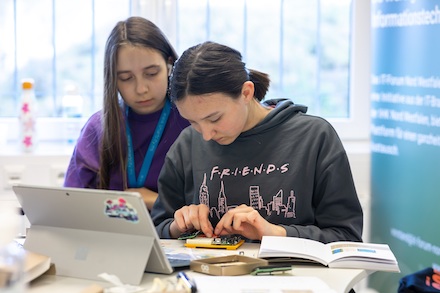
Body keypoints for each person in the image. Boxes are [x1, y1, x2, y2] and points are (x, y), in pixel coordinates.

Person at [151, 41, 363, 243]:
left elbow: (346, 236)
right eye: (193, 122)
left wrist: (275, 233)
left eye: (214, 118)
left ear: (246, 93)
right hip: (208, 277)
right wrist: (177, 227)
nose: (206, 135)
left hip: (295, 279)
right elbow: (156, 228)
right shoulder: (188, 144)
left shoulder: (314, 137)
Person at [64, 17, 189, 210]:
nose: (141, 89)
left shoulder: (193, 120)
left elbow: (210, 204)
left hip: (178, 237)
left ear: (169, 65)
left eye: (151, 73)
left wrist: (154, 200)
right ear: (113, 80)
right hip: (110, 236)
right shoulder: (98, 128)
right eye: (126, 78)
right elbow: (71, 205)